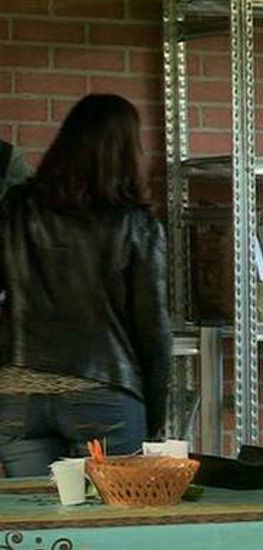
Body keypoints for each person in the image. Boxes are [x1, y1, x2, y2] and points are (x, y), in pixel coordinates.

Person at [0, 94, 172, 477]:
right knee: (110, 527)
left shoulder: (15, 209)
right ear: (128, 150)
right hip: (104, 390)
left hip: (18, 393)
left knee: (36, 529)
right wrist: (155, 420)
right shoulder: (136, 225)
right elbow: (153, 332)